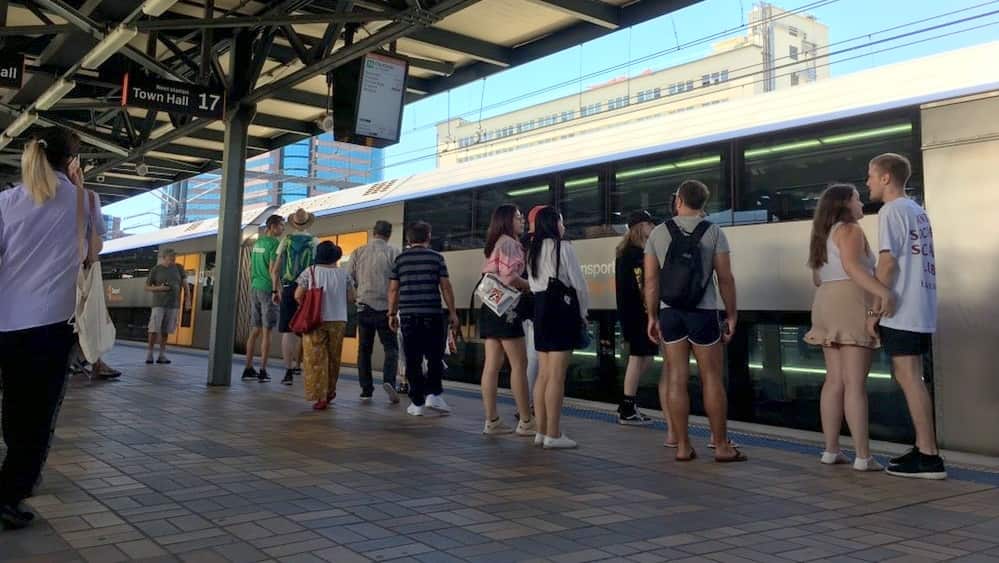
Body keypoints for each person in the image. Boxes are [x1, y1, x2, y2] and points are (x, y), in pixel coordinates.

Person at [0, 128, 102, 529]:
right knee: (36, 418)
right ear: (72, 162)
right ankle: (9, 494)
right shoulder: (85, 200)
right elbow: (91, 256)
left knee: (12, 409)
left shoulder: (6, 201)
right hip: (50, 327)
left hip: (4, 324)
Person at [644, 180, 746, 463]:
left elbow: (651, 281)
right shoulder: (713, 232)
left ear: (678, 201)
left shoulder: (658, 233)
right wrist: (732, 314)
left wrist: (652, 315)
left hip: (671, 312)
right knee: (711, 378)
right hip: (704, 312)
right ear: (703, 203)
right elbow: (725, 278)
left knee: (676, 378)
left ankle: (682, 446)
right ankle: (722, 446)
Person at [866, 153, 946, 479]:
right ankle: (925, 448)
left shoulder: (891, 211)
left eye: (870, 175)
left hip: (901, 308)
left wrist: (873, 309)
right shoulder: (917, 211)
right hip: (920, 305)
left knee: (909, 377)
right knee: (914, 377)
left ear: (886, 177)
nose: (867, 182)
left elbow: (887, 264)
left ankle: (928, 455)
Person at [804, 184, 892, 472]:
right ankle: (863, 456)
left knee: (834, 381)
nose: (861, 203)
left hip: (826, 302)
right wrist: (882, 293)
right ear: (844, 204)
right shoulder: (850, 230)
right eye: (856, 199)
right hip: (850, 300)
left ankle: (831, 450)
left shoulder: (822, 234)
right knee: (855, 384)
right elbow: (853, 267)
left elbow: (818, 278)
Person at [527, 206, 589, 449]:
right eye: (561, 222)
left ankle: (541, 432)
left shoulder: (533, 250)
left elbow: (533, 285)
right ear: (553, 224)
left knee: (543, 374)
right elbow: (579, 284)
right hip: (560, 312)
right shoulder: (563, 247)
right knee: (556, 376)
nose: (564, 226)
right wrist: (583, 313)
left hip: (540, 311)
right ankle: (554, 433)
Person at [387, 221, 460, 417]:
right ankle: (434, 395)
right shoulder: (437, 258)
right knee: (435, 357)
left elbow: (394, 290)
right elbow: (446, 287)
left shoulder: (400, 260)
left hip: (409, 316)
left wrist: (392, 314)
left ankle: (417, 402)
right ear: (428, 237)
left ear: (408, 239)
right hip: (433, 315)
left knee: (413, 360)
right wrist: (453, 312)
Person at [478, 204, 535, 436]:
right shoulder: (510, 243)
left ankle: (492, 420)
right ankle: (526, 421)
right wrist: (529, 285)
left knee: (491, 366)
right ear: (507, 220)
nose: (522, 221)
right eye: (518, 217)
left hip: (490, 306)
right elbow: (510, 277)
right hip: (507, 309)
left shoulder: (496, 242)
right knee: (519, 365)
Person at [295, 242, 354, 410]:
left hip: (315, 320)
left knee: (315, 359)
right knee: (334, 358)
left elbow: (298, 295)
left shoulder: (310, 271)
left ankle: (319, 396)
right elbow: (352, 297)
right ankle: (330, 391)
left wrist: (306, 306)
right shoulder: (344, 274)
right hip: (338, 320)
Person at [348, 220, 401, 403]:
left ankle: (366, 389)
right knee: (391, 348)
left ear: (373, 232)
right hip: (387, 309)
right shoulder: (395, 252)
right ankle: (389, 381)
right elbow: (398, 282)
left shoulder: (358, 251)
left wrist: (356, 297)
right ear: (389, 234)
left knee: (364, 350)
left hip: (364, 307)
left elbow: (350, 279)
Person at [614, 210, 658, 426]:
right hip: (638, 314)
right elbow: (642, 286)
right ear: (641, 227)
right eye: (650, 224)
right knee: (639, 357)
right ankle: (627, 406)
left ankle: (627, 403)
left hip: (634, 313)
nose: (653, 228)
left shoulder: (628, 252)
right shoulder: (635, 254)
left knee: (644, 357)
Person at [273, 209, 318, 386]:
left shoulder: (286, 240)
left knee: (287, 331)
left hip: (288, 287)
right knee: (305, 330)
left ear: (293, 224)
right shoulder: (314, 241)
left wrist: (276, 291)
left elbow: (276, 269)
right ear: (307, 224)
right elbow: (316, 268)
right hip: (306, 288)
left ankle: (288, 370)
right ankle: (301, 365)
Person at [244, 214, 284, 382]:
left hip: (255, 287)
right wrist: (277, 291)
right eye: (281, 225)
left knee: (255, 330)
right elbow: (272, 270)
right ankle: (263, 370)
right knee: (267, 332)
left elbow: (252, 267)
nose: (283, 229)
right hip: (268, 289)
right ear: (273, 226)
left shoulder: (257, 243)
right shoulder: (275, 244)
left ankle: (248, 368)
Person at [522, 205, 545, 399]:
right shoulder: (539, 242)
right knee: (535, 358)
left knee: (530, 358)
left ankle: (526, 402)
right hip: (534, 307)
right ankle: (529, 402)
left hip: (523, 308)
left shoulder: (522, 241)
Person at [145, 248, 183, 364]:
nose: (173, 259)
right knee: (154, 329)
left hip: (173, 304)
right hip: (159, 304)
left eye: (174, 257)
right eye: (171, 257)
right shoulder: (156, 270)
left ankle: (162, 355)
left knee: (166, 330)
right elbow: (146, 287)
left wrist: (187, 299)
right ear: (164, 257)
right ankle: (150, 354)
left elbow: (185, 283)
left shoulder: (179, 268)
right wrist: (159, 288)